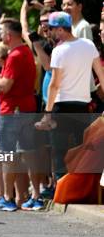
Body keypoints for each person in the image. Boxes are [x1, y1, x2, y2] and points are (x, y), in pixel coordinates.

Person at [35, 12, 104, 178]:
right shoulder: (89, 45)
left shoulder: (59, 50)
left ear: (59, 29)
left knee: (59, 153)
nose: (49, 32)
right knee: (82, 151)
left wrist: (47, 113)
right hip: (83, 106)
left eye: (51, 29)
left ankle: (61, 194)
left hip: (61, 107)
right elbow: (101, 76)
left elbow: (55, 84)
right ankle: (79, 190)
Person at [0, 18, 37, 212]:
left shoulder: (14, 55)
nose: (1, 36)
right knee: (24, 153)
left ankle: (6, 197)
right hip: (25, 109)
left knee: (5, 155)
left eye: (2, 33)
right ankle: (25, 196)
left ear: (8, 35)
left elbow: (5, 84)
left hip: (12, 110)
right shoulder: (26, 52)